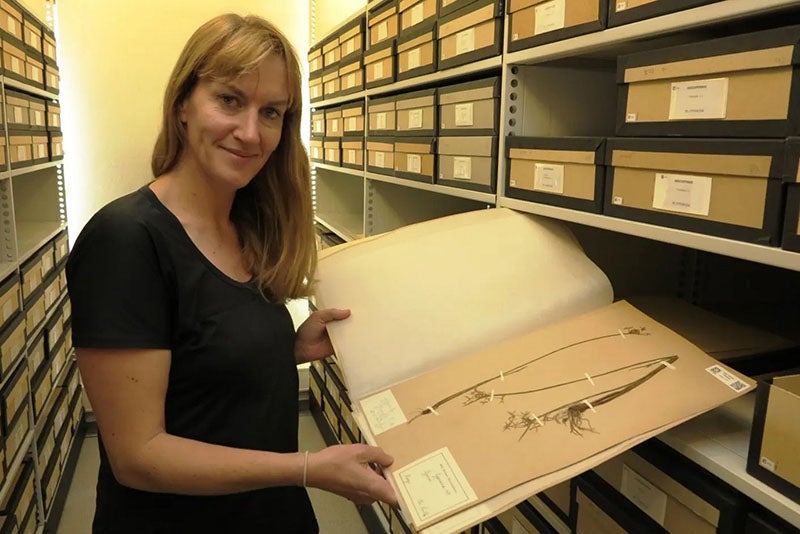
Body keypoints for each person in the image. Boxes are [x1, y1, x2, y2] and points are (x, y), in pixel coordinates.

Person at [66, 13, 396, 533]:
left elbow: (198, 363)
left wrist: (284, 348)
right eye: (229, 100)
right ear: (182, 104)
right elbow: (139, 454)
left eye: (271, 112)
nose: (250, 132)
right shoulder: (126, 240)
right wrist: (308, 468)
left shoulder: (246, 227)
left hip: (268, 512)